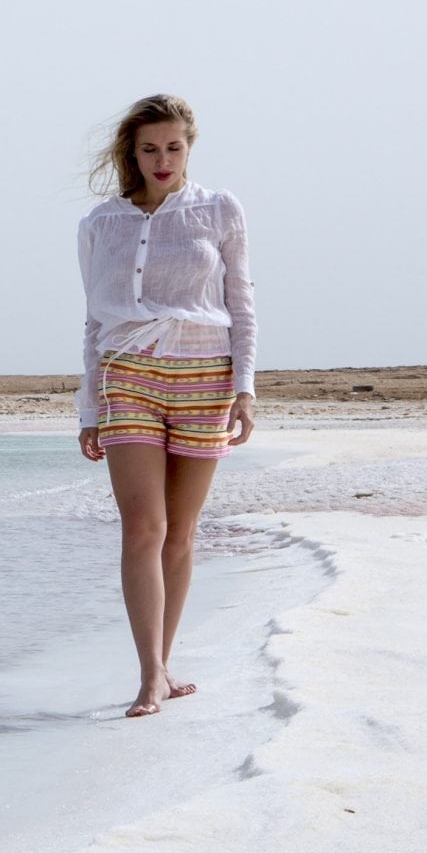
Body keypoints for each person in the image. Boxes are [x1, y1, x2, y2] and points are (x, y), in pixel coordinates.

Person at [75, 94, 257, 717]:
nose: (162, 159)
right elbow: (94, 321)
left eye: (173, 147)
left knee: (180, 533)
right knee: (143, 528)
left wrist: (245, 387)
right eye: (150, 148)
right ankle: (149, 675)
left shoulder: (219, 209)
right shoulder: (102, 223)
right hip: (128, 375)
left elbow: (241, 303)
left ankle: (165, 663)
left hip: (206, 377)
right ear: (132, 151)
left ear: (189, 147)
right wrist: (88, 409)